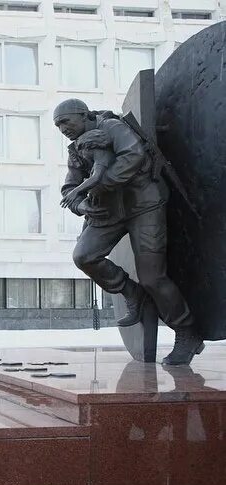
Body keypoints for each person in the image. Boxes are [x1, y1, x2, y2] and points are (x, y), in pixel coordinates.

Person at [54, 99, 203, 365]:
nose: (62, 128)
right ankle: (133, 294)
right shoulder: (75, 149)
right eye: (57, 125)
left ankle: (186, 331)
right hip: (106, 212)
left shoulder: (113, 127)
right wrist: (82, 204)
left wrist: (101, 185)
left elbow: (133, 155)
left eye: (65, 121)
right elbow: (69, 187)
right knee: (84, 256)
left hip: (144, 205)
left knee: (152, 277)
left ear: (84, 114)